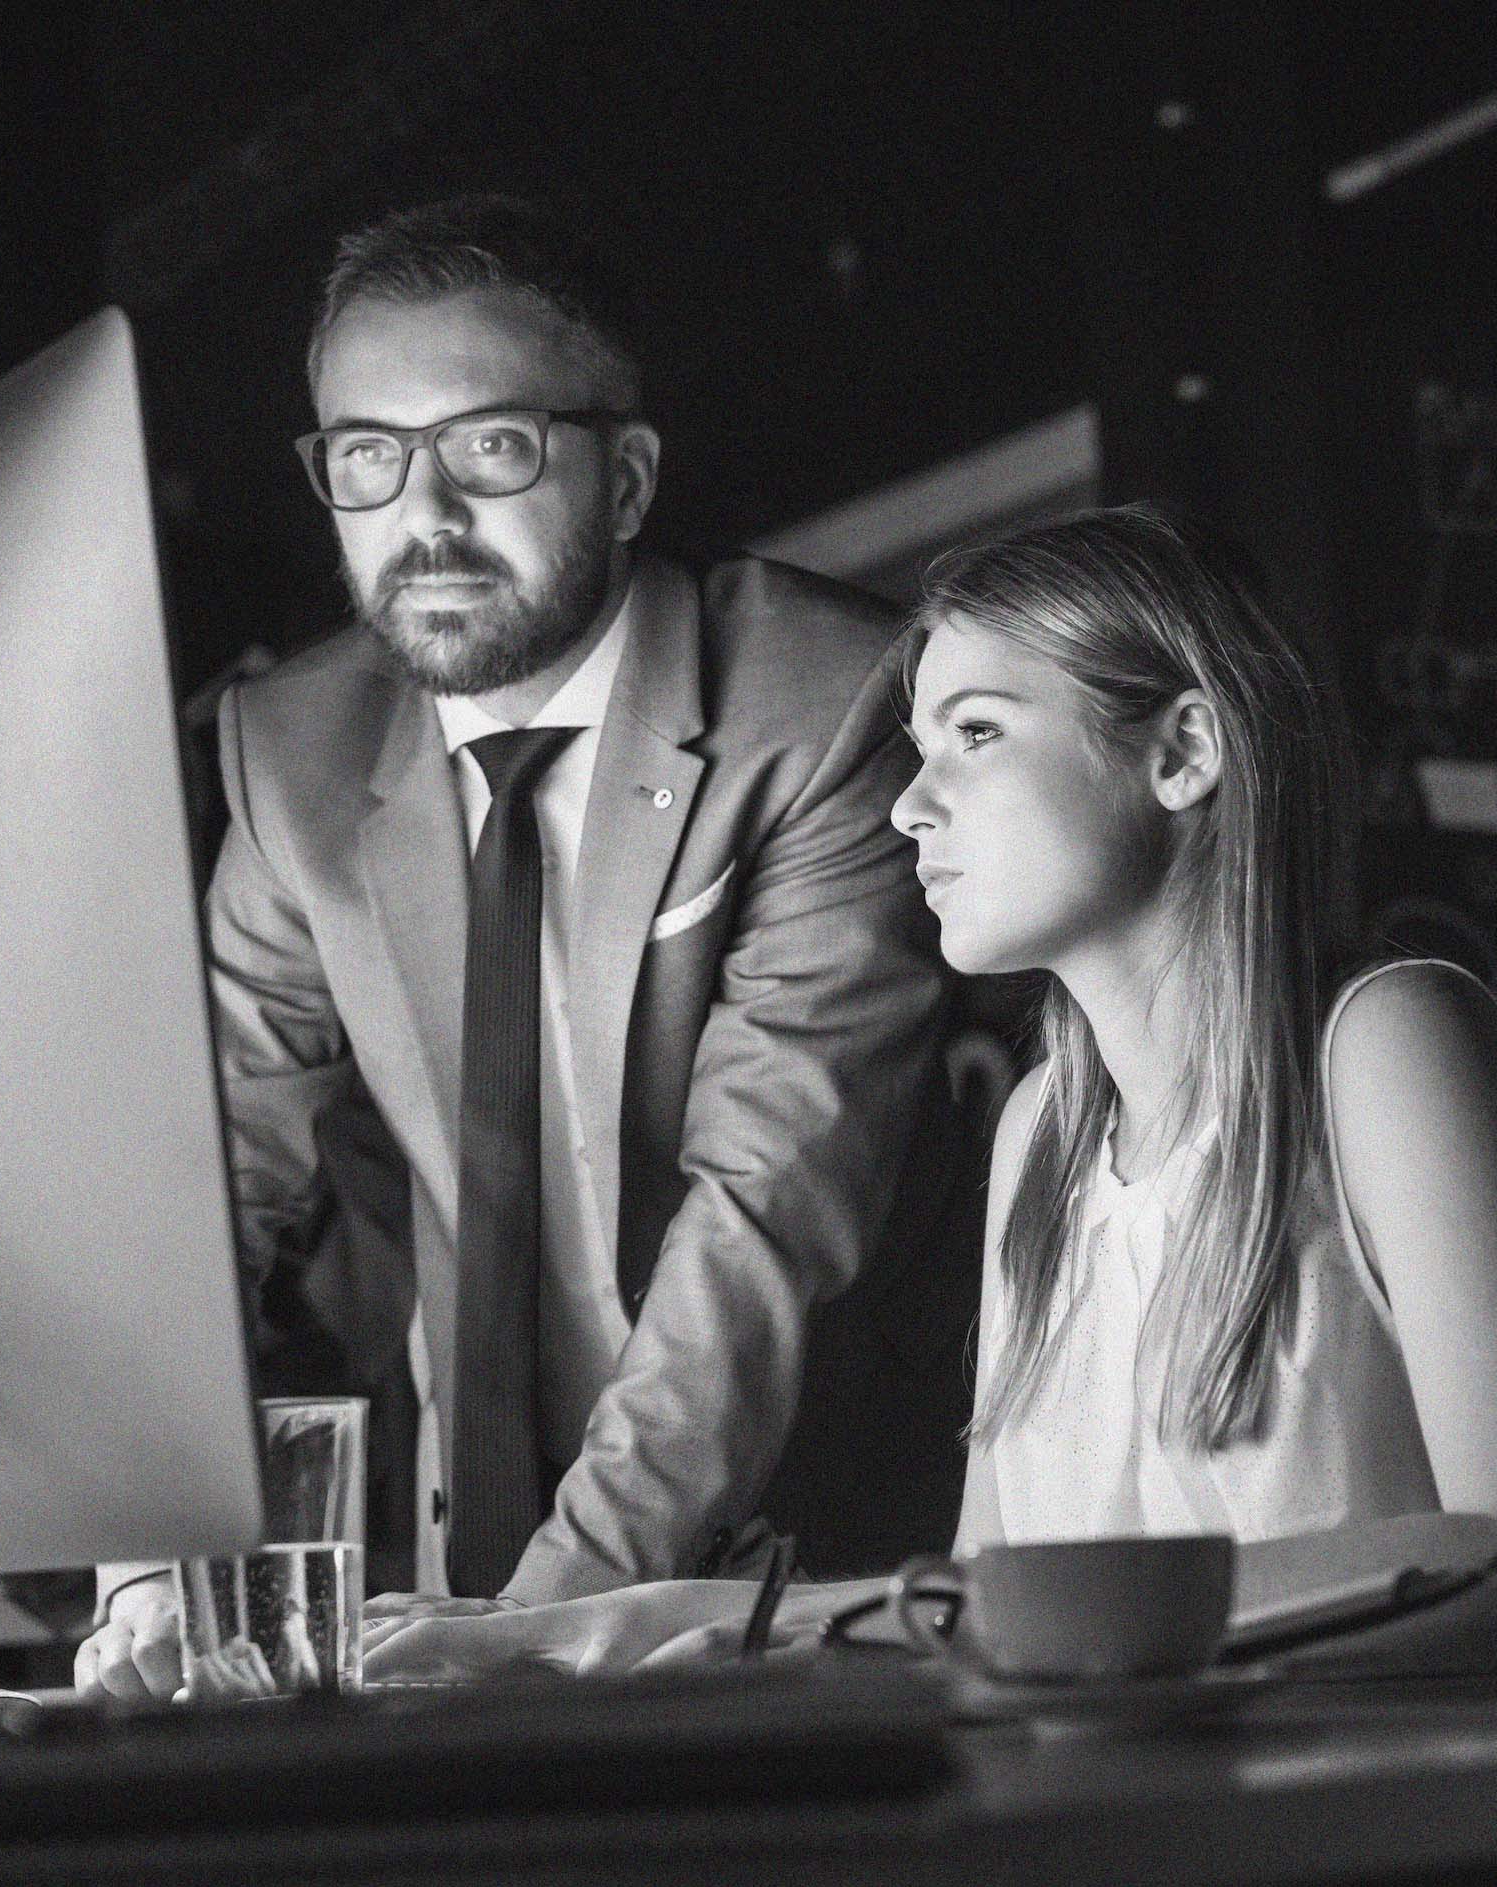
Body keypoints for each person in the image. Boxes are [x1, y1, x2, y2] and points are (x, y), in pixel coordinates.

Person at [363, 507, 1497, 1684]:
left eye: (973, 733)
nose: (909, 807)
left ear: (1182, 751)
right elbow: (983, 1621)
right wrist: (586, 1635)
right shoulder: (1038, 1142)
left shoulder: (1390, 1043)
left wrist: (649, 1632)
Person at [77, 196, 955, 1702]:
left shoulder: (821, 701)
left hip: (807, 1584)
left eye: (490, 447)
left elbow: (763, 1214)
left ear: (624, 477)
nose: (422, 518)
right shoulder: (290, 751)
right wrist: (146, 1562)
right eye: (368, 456)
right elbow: (204, 1177)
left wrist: (539, 1635)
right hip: (460, 1558)